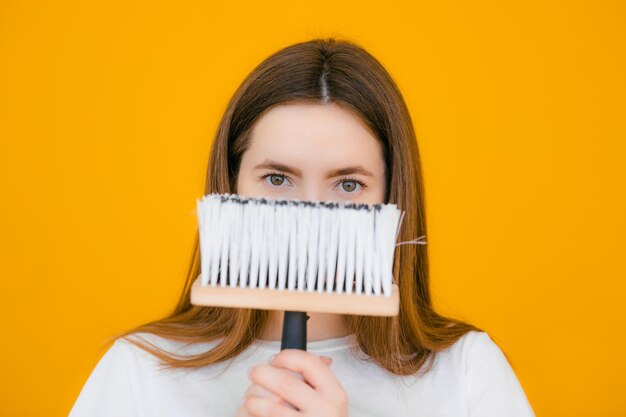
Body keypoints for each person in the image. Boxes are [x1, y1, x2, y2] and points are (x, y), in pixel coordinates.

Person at [68, 38, 535, 417]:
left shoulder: (467, 372)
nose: (311, 209)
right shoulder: (139, 368)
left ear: (393, 199)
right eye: (277, 179)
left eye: (348, 184)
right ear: (229, 185)